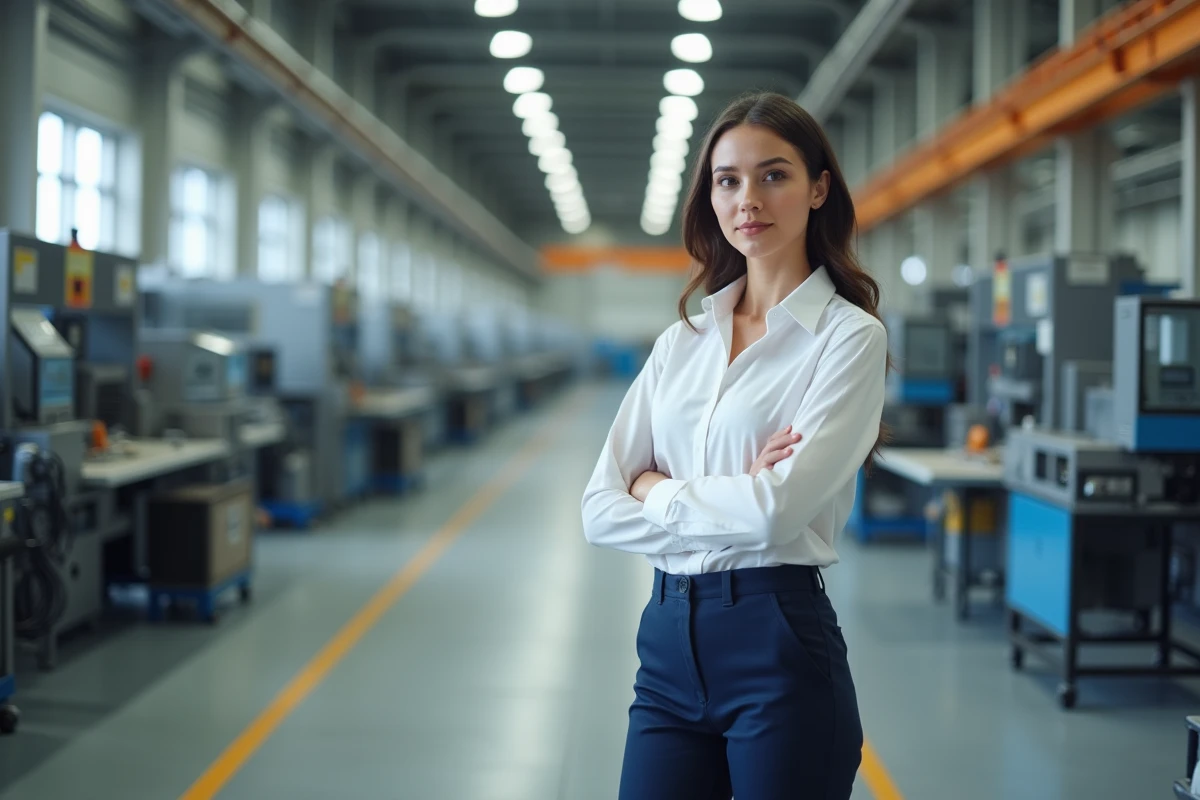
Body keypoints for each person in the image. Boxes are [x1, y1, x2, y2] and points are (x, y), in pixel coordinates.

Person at [580, 91, 890, 800]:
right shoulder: (680, 343)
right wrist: (736, 493)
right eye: (728, 180)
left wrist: (656, 488)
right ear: (710, 197)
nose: (748, 197)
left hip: (776, 644)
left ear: (818, 189)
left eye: (773, 175)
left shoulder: (848, 339)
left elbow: (774, 517)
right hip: (663, 649)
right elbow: (598, 510)